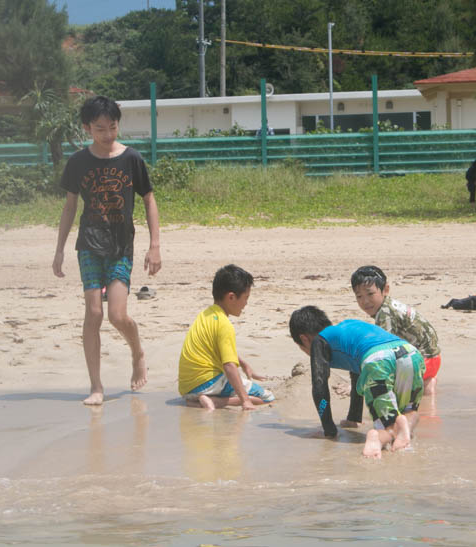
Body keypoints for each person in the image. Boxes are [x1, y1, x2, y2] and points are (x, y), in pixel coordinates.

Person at [52, 95, 162, 406]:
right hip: (88, 243)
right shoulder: (78, 162)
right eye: (100, 129)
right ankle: (96, 386)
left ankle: (137, 350)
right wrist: (59, 249)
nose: (108, 134)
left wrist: (154, 246)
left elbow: (149, 200)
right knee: (94, 313)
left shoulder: (131, 159)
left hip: (120, 245)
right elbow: (70, 206)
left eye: (112, 127)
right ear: (87, 128)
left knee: (117, 314)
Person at [288, 305, 425, 458]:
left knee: (387, 427)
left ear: (304, 339)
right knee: (408, 411)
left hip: (379, 359)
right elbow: (356, 374)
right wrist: (353, 419)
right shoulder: (347, 330)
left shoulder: (319, 341)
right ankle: (402, 433)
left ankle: (380, 439)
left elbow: (319, 386)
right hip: (410, 353)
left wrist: (329, 431)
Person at [178, 264, 275, 411]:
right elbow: (229, 366)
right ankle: (217, 402)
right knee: (266, 398)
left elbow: (219, 348)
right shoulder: (224, 325)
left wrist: (243, 364)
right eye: (245, 298)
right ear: (231, 297)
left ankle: (197, 401)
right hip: (207, 385)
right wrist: (245, 401)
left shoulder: (207, 314)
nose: (246, 304)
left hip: (187, 388)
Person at [351, 265, 441, 395]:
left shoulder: (385, 313)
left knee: (385, 382)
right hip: (432, 357)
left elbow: (380, 351)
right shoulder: (388, 305)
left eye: (370, 294)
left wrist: (360, 383)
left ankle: (424, 383)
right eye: (359, 296)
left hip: (425, 361)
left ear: (385, 289)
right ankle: (426, 382)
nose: (365, 301)